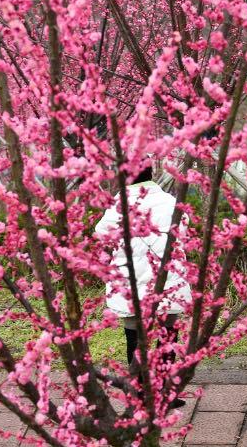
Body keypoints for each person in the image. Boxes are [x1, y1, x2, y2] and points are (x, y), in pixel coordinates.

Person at [95, 164, 191, 409]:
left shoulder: (119, 205)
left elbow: (101, 232)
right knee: (167, 337)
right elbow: (184, 227)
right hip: (167, 281)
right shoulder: (168, 201)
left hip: (131, 285)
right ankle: (165, 394)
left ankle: (139, 394)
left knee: (135, 337)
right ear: (151, 175)